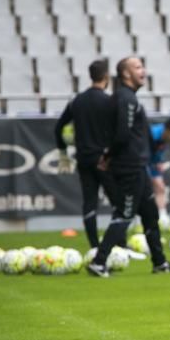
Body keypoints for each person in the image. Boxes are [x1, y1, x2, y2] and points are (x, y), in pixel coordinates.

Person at [87, 57, 170, 277]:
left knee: (150, 214)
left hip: (138, 166)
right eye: (138, 67)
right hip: (129, 167)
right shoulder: (126, 98)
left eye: (143, 66)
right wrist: (109, 155)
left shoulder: (127, 98)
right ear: (125, 74)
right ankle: (99, 262)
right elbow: (122, 134)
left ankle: (160, 262)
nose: (144, 71)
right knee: (125, 213)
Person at [54, 58, 117, 249]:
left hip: (83, 159)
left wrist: (63, 153)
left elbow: (59, 128)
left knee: (89, 203)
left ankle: (94, 246)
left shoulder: (77, 101)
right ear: (106, 77)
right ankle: (119, 244)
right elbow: (118, 132)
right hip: (104, 160)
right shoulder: (109, 101)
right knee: (118, 203)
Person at [148, 118, 170, 231]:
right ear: (166, 131)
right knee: (142, 191)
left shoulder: (165, 138)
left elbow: (158, 151)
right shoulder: (152, 134)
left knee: (160, 188)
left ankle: (163, 220)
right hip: (140, 162)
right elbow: (141, 151)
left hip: (152, 162)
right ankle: (137, 223)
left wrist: (158, 162)